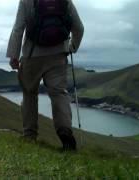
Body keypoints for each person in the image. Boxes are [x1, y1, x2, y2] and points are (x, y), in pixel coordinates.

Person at [6, 0, 84, 150]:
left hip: (31, 55)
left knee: (29, 94)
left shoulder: (26, 1)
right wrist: (72, 47)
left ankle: (30, 136)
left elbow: (18, 29)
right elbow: (79, 28)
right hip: (58, 55)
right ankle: (65, 132)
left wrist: (13, 55)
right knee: (58, 93)